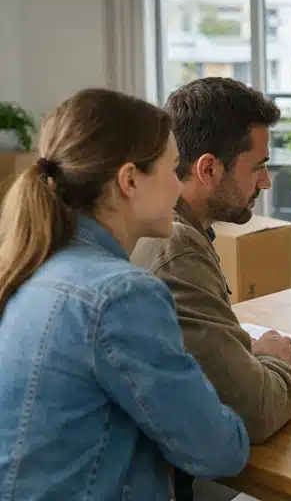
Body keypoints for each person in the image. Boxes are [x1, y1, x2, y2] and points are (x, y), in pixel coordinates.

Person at [0, 88, 249, 500]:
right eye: (173, 169)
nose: (180, 186)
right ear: (130, 180)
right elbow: (221, 452)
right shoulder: (121, 295)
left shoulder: (31, 265)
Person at [131, 77, 291, 498]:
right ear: (208, 168)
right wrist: (277, 360)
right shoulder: (174, 245)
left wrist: (246, 355)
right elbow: (257, 412)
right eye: (258, 167)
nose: (266, 183)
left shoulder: (163, 225)